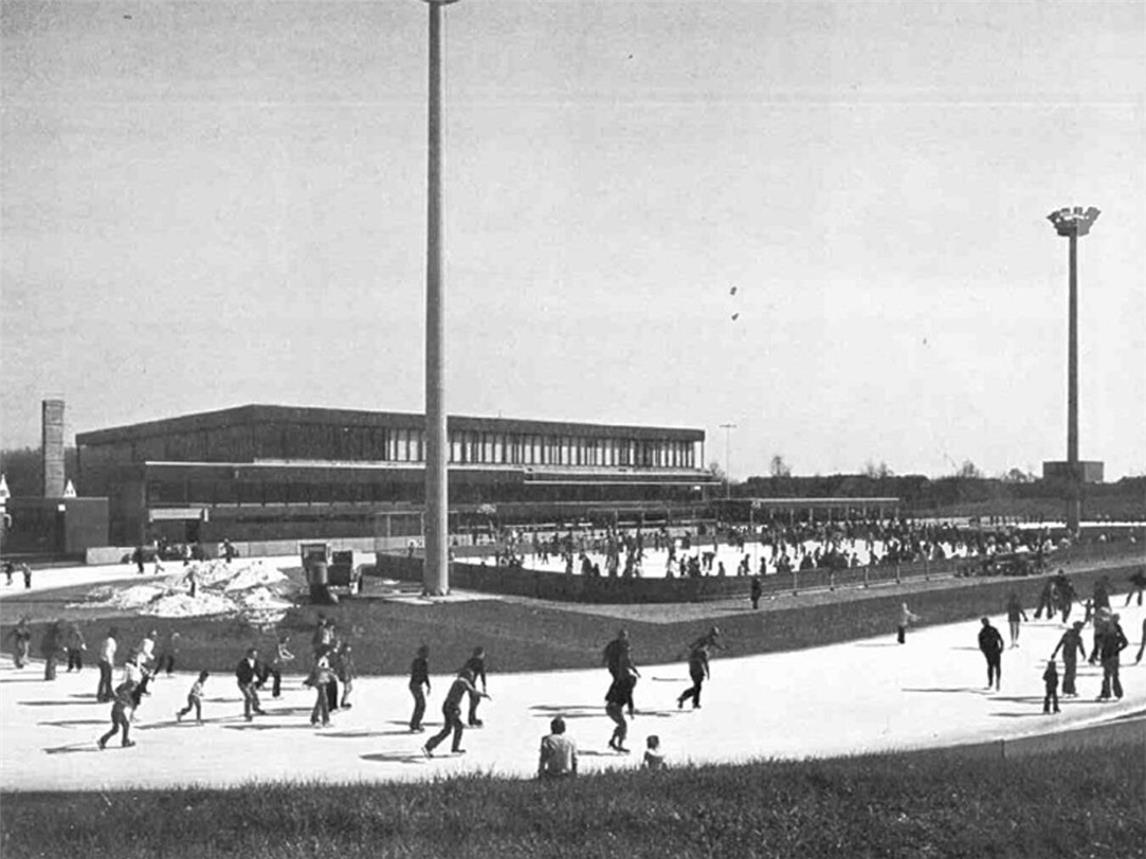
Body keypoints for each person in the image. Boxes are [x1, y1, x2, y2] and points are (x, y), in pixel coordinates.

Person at [422, 668, 489, 757]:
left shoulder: (458, 681)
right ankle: (453, 748)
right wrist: (484, 695)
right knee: (458, 727)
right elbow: (473, 692)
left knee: (447, 730)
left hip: (447, 706)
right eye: (471, 676)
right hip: (451, 708)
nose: (472, 678)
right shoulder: (463, 681)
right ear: (467, 675)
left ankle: (429, 746)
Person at [1096, 614, 1129, 701]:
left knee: (1107, 675)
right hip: (1114, 656)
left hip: (1107, 655)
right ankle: (1118, 693)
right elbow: (1125, 642)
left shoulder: (1104, 630)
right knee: (1115, 675)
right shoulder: (1117, 629)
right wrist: (1118, 650)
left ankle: (1107, 693)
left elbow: (1099, 642)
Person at [605, 665, 638, 753]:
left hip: (611, 707)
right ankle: (619, 744)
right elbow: (630, 700)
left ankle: (612, 741)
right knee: (623, 725)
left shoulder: (619, 685)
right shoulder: (627, 689)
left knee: (621, 725)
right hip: (614, 708)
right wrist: (631, 711)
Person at [98, 679, 137, 750]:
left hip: (118, 712)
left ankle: (124, 741)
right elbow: (128, 703)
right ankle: (102, 740)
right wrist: (130, 704)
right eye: (133, 687)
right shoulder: (125, 694)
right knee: (116, 729)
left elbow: (118, 692)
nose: (133, 689)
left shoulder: (123, 691)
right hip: (117, 712)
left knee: (125, 725)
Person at [1051, 621, 1087, 697]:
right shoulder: (1076, 636)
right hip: (1071, 656)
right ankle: (1070, 690)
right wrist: (1084, 654)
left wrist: (1055, 652)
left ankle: (1067, 689)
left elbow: (1060, 643)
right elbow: (1081, 647)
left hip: (1066, 655)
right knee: (1071, 673)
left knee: (1068, 672)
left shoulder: (1068, 634)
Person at [677, 639, 711, 710]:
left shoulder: (694, 651)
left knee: (697, 687)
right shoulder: (703, 652)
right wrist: (708, 673)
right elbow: (705, 663)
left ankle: (685, 697)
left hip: (692, 671)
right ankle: (694, 703)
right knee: (697, 688)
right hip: (699, 672)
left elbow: (690, 661)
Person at [235, 648, 265, 721]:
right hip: (243, 683)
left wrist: (261, 680)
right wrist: (244, 679)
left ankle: (255, 708)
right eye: (253, 654)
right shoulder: (243, 663)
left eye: (255, 654)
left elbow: (258, 671)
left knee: (255, 695)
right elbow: (238, 673)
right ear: (248, 654)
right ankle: (247, 714)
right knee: (249, 697)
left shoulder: (256, 662)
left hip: (251, 682)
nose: (255, 656)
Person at [307, 652, 334, 727]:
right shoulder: (321, 660)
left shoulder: (323, 659)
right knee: (324, 701)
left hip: (322, 681)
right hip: (320, 682)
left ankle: (314, 718)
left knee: (320, 701)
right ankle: (325, 720)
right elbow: (318, 670)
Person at [977, 617, 1005, 691]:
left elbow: (980, 644)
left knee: (990, 666)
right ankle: (996, 681)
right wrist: (1001, 647)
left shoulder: (982, 632)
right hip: (995, 650)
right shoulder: (993, 630)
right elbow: (1001, 639)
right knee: (997, 666)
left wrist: (984, 651)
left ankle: (991, 682)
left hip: (990, 651)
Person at [463, 646, 488, 727]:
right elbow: (482, 674)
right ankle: (472, 719)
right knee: (475, 700)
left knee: (474, 700)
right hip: (471, 682)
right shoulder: (480, 662)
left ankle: (472, 718)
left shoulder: (470, 661)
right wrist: (484, 685)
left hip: (466, 681)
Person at [409, 645, 431, 732]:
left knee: (419, 704)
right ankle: (415, 724)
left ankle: (415, 723)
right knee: (421, 705)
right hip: (417, 685)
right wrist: (428, 685)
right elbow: (424, 674)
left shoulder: (415, 661)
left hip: (413, 684)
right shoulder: (423, 662)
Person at [96, 627, 118, 702]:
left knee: (105, 679)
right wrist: (110, 662)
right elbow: (107, 652)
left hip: (102, 661)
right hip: (106, 662)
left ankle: (107, 694)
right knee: (106, 679)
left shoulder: (106, 640)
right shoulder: (110, 641)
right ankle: (103, 695)